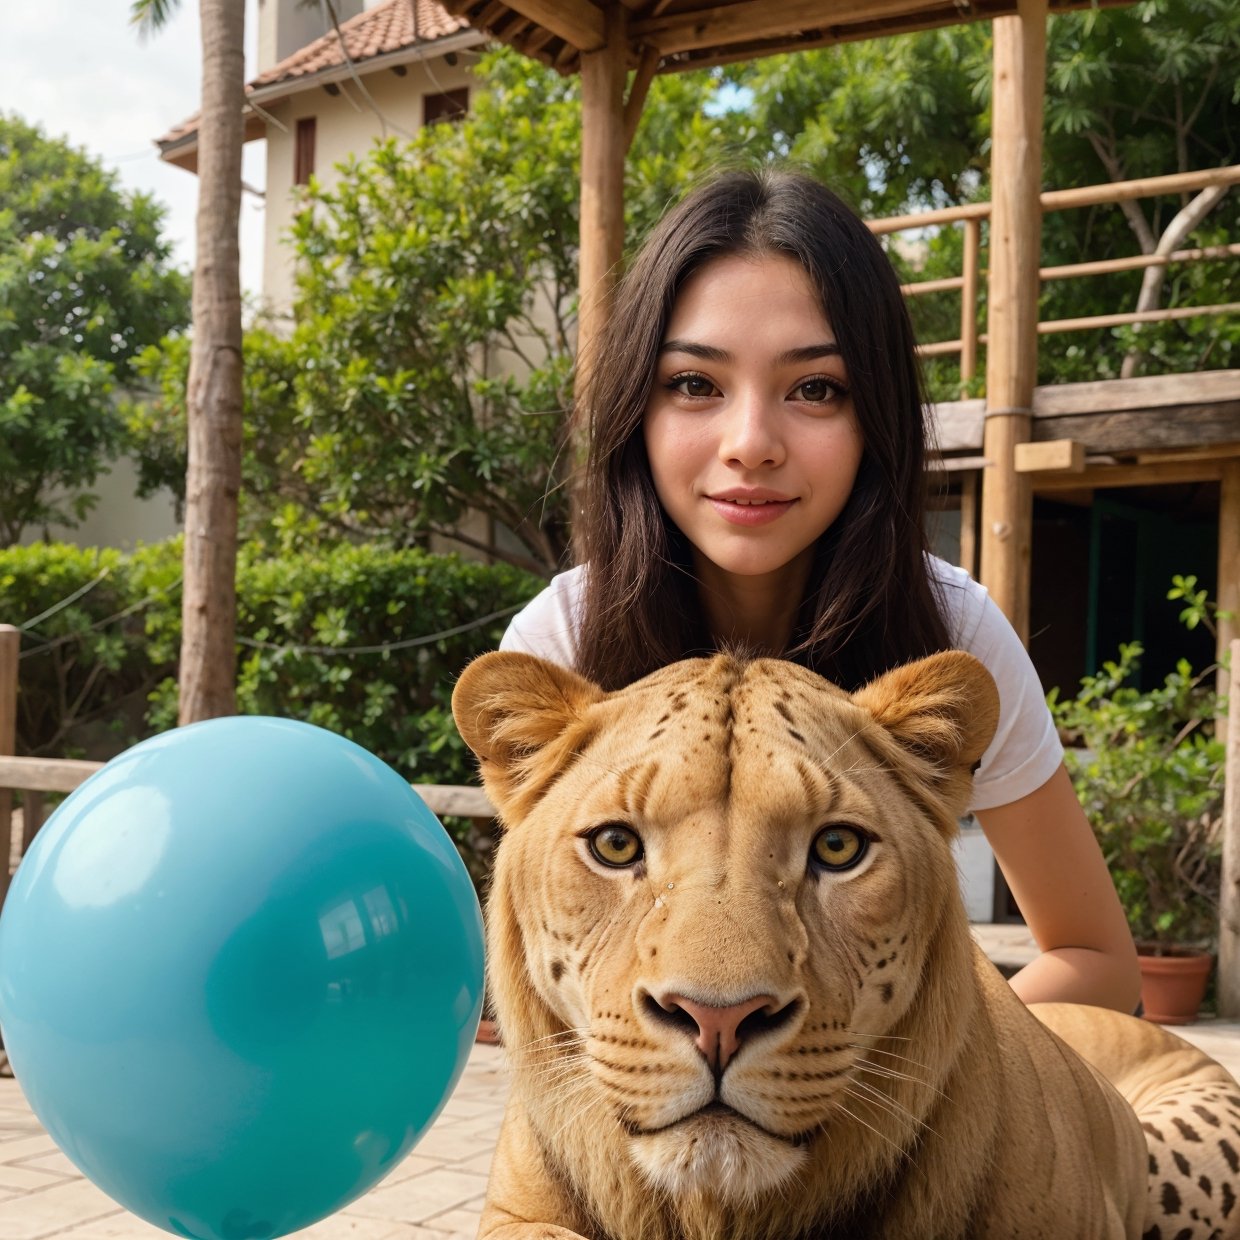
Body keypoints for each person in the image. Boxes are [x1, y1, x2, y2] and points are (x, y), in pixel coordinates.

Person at [500, 168, 1140, 1014]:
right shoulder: (562, 640)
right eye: (695, 384)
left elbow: (1095, 958)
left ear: (874, 417)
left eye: (816, 389)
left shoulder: (954, 629)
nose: (751, 442)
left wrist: (900, 1077)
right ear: (635, 412)